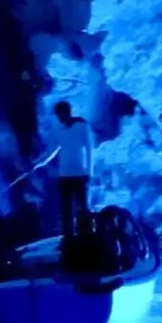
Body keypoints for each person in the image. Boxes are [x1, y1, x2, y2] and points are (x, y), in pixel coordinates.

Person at [49, 100, 93, 236]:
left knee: (82, 207)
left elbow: (89, 149)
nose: (59, 117)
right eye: (58, 115)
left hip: (80, 174)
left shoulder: (82, 125)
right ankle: (67, 236)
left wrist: (89, 171)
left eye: (61, 114)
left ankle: (86, 234)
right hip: (64, 175)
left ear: (68, 112)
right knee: (66, 209)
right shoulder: (59, 129)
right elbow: (53, 149)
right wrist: (38, 163)